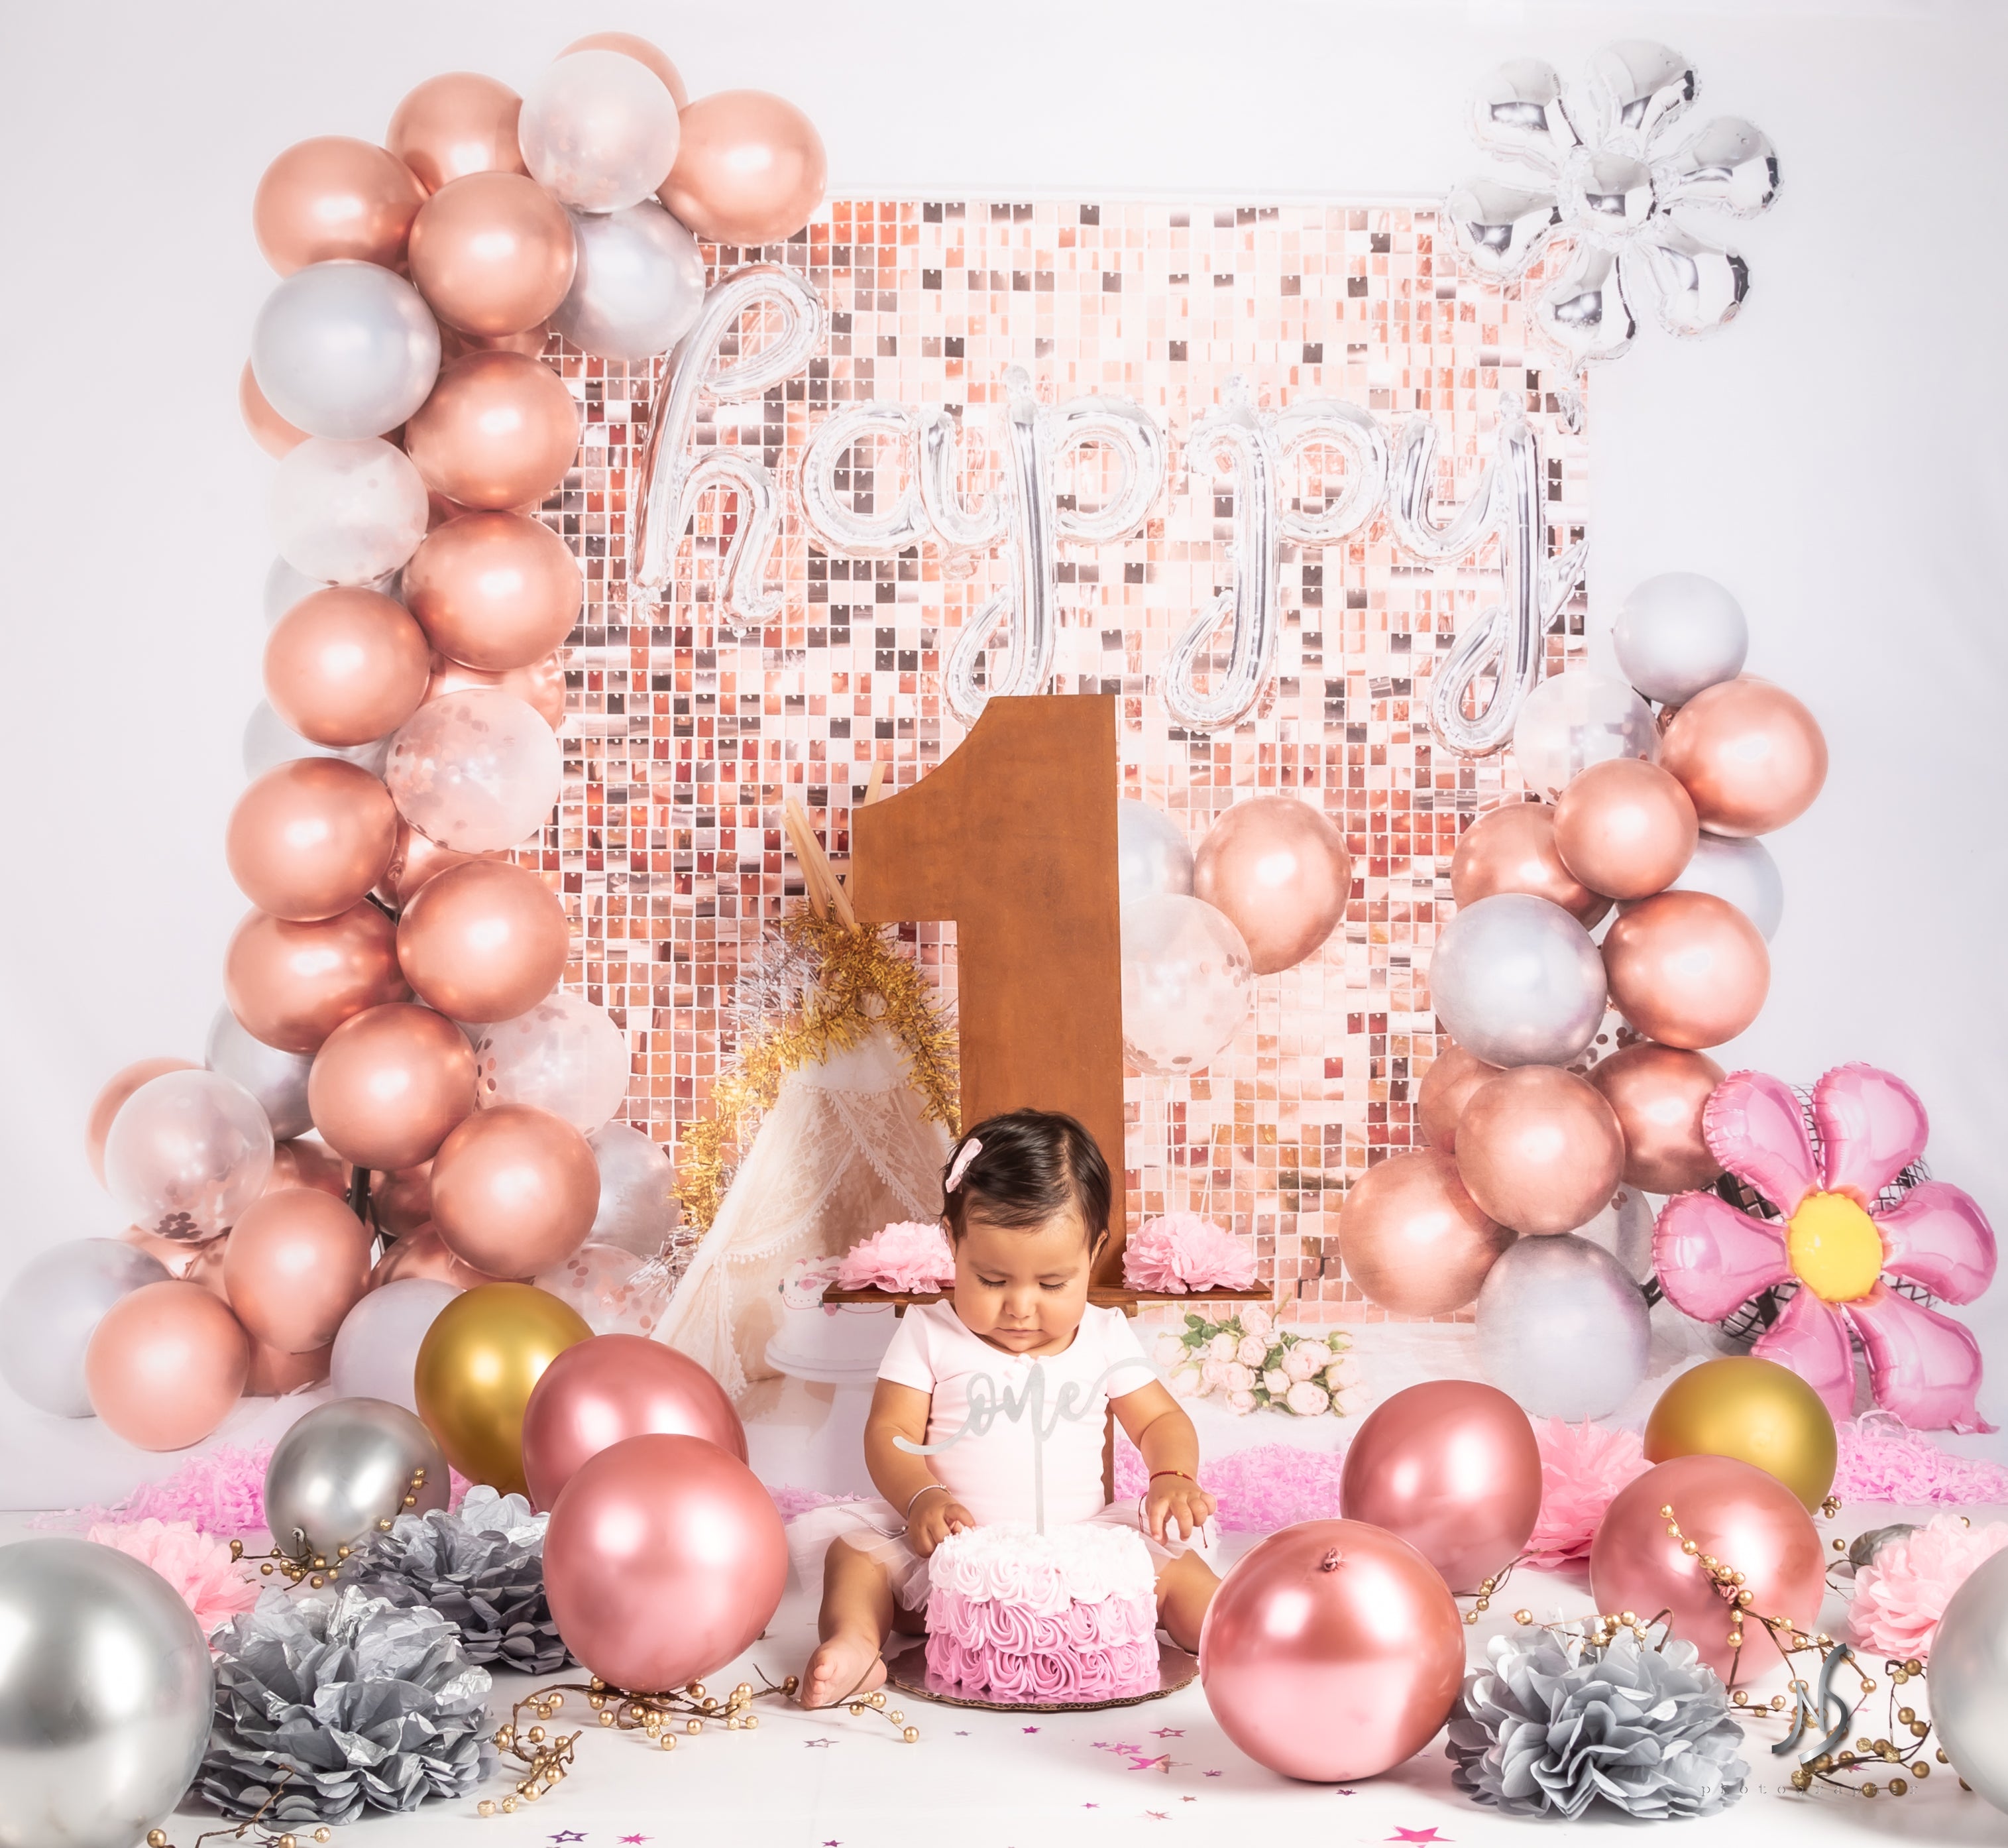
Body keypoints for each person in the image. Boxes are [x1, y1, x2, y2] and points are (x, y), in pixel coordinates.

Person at [792, 1108, 1219, 1709]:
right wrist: (923, 1499)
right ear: (952, 1244)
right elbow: (890, 1428)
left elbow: (1160, 1420)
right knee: (856, 1558)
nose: (1020, 1307)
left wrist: (1172, 1476)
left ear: (1094, 1252)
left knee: (1177, 1571)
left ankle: (1239, 1637)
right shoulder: (930, 1331)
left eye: (1052, 1284)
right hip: (953, 1554)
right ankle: (855, 1645)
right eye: (991, 1279)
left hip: (1082, 1550)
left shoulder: (1103, 1335)